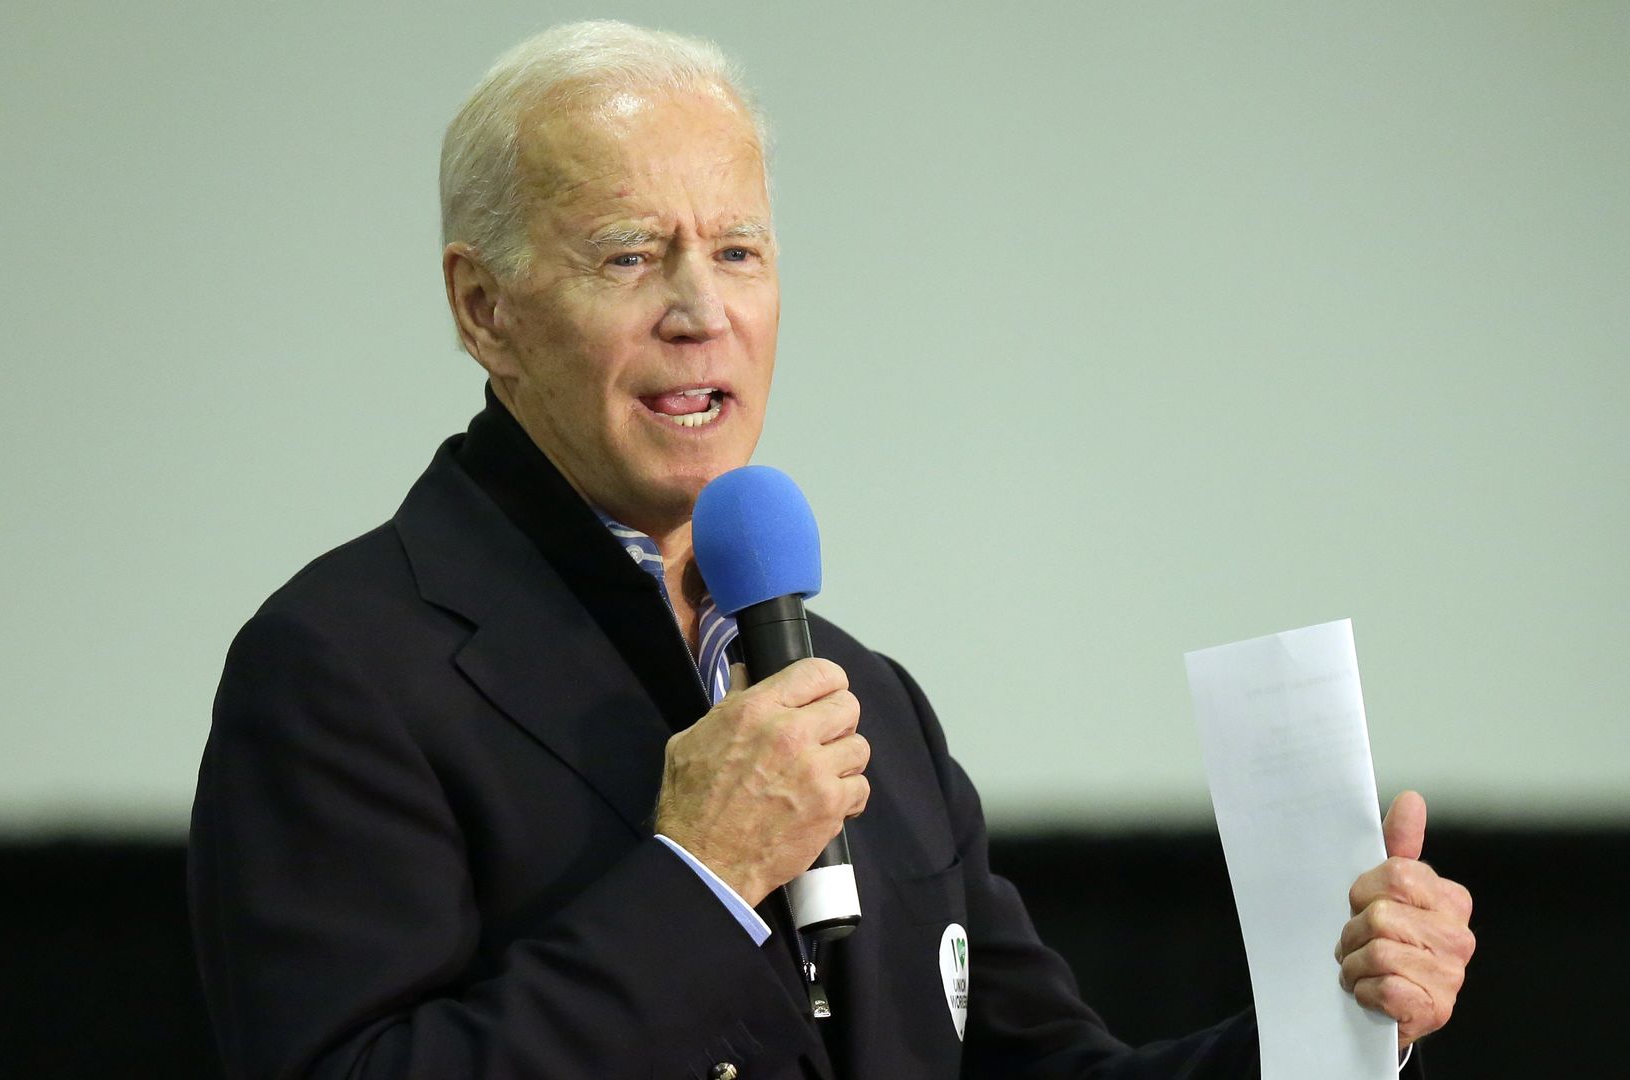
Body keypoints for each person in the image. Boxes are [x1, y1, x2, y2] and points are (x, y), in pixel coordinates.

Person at [187, 21, 1474, 1079]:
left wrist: (1336, 1031)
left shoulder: (865, 700)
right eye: (631, 255)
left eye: (737, 251)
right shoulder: (345, 669)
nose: (701, 313)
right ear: (486, 309)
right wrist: (699, 878)